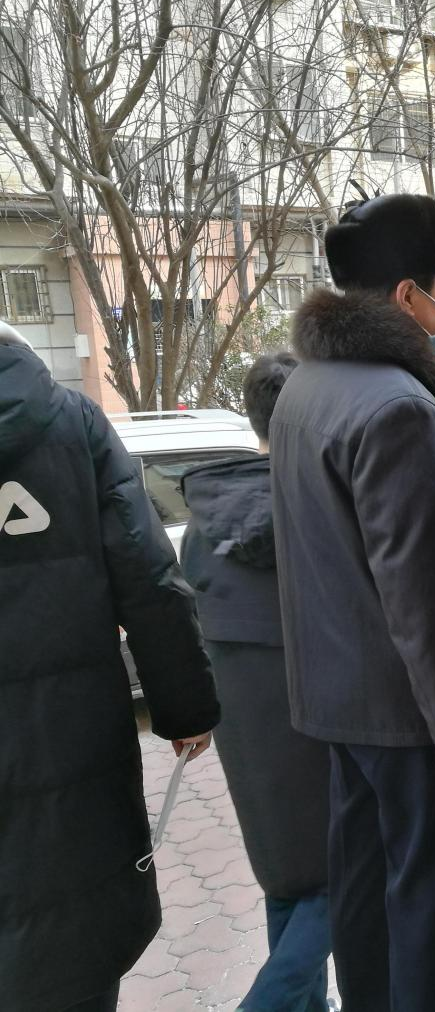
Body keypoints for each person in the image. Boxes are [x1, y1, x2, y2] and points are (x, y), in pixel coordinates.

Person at [270, 193, 435, 1012]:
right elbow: (429, 597)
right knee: (432, 913)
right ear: (406, 294)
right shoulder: (399, 409)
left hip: (338, 704)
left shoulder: (306, 388)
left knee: (366, 900)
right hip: (411, 719)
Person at [0, 321, 220, 1012]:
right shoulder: (73, 425)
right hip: (70, 746)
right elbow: (149, 578)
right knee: (74, 954)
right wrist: (186, 709)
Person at [180, 351, 332, 1012]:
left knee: (285, 874)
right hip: (321, 710)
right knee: (350, 867)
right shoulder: (322, 504)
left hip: (241, 720)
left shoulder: (204, 515)